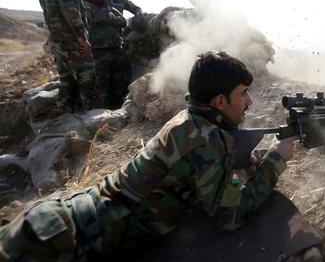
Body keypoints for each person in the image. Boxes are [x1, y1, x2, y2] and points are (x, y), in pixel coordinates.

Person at [0, 51, 296, 261]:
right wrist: (275, 161)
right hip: (60, 243)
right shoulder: (208, 140)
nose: (249, 101)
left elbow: (197, 174)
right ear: (220, 101)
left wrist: (238, 166)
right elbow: (229, 217)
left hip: (60, 218)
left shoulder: (190, 119)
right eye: (243, 93)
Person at [37, 0, 97, 112]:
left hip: (58, 43)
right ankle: (92, 124)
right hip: (73, 43)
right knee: (88, 83)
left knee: (67, 82)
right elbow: (70, 11)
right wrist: (82, 39)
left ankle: (63, 116)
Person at [80, 0, 130, 109]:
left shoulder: (105, 4)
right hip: (98, 52)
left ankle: (117, 111)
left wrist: (109, 18)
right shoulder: (83, 5)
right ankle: (101, 113)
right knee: (101, 85)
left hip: (115, 48)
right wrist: (111, 18)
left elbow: (123, 21)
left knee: (119, 82)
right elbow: (95, 17)